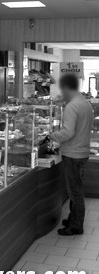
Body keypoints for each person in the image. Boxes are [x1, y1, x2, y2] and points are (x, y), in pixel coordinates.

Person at [49, 73, 93, 236]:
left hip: (73, 154)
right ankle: (73, 218)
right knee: (77, 188)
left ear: (67, 88)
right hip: (82, 152)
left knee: (74, 191)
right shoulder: (85, 103)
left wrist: (53, 135)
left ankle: (76, 226)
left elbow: (68, 133)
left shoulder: (72, 106)